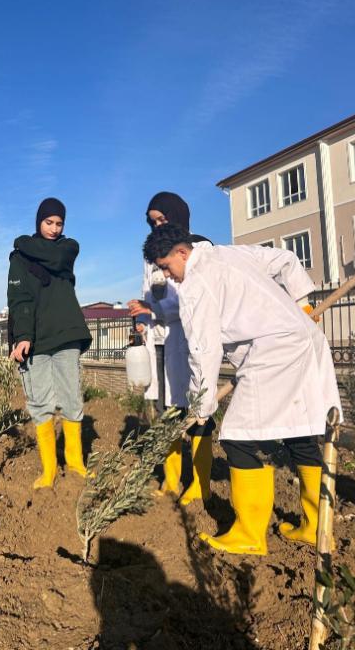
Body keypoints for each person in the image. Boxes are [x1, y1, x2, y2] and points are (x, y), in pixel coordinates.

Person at [142, 223, 337, 555]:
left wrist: (200, 406)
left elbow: (204, 350)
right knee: (300, 434)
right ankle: (317, 529)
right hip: (303, 341)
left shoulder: (196, 285)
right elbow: (286, 259)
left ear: (182, 252)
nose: (168, 276)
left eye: (166, 267)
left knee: (237, 437)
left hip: (273, 353)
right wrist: (303, 306)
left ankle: (249, 535)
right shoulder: (229, 254)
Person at [126, 192, 215, 505]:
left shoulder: (199, 248)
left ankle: (200, 483)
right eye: (152, 222)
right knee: (167, 413)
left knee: (198, 410)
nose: (157, 226)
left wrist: (154, 310)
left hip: (189, 340)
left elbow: (195, 300)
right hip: (160, 340)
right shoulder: (150, 257)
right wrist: (142, 318)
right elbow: (149, 294)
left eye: (162, 219)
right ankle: (171, 478)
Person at [8, 198, 92, 489]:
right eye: (49, 222)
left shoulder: (68, 248)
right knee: (40, 402)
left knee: (71, 399)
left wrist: (21, 242)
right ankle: (49, 470)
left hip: (67, 333)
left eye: (59, 223)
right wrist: (22, 336)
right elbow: (19, 299)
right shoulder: (18, 260)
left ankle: (76, 464)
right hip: (35, 339)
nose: (54, 229)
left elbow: (55, 259)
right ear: (39, 221)